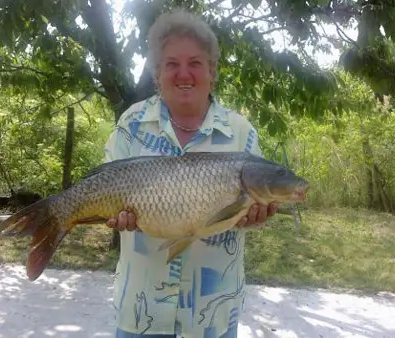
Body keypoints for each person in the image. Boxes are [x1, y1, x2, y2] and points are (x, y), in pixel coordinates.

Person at [104, 9, 279, 338]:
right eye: (171, 64)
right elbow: (108, 192)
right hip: (142, 313)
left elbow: (253, 202)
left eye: (196, 63)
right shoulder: (132, 124)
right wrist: (112, 214)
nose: (184, 73)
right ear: (157, 72)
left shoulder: (241, 133)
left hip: (211, 315)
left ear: (211, 71)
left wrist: (255, 215)